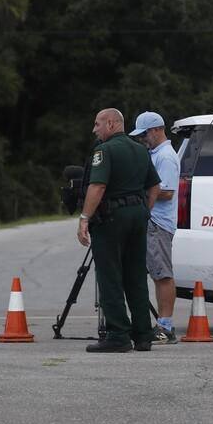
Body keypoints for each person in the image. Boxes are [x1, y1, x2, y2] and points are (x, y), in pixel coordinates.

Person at [76, 108, 161, 353]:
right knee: (135, 275)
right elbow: (154, 186)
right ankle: (143, 335)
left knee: (110, 275)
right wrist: (144, 209)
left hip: (112, 218)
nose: (94, 130)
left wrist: (84, 218)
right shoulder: (141, 149)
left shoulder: (105, 150)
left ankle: (118, 335)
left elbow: (98, 186)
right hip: (137, 216)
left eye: (97, 124)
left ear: (112, 123)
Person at [131, 111, 179, 344]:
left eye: (145, 134)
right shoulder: (155, 154)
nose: (142, 139)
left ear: (157, 130)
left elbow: (167, 192)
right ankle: (159, 324)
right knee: (155, 274)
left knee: (162, 275)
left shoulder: (166, 157)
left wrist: (136, 191)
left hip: (159, 223)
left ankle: (165, 326)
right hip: (151, 222)